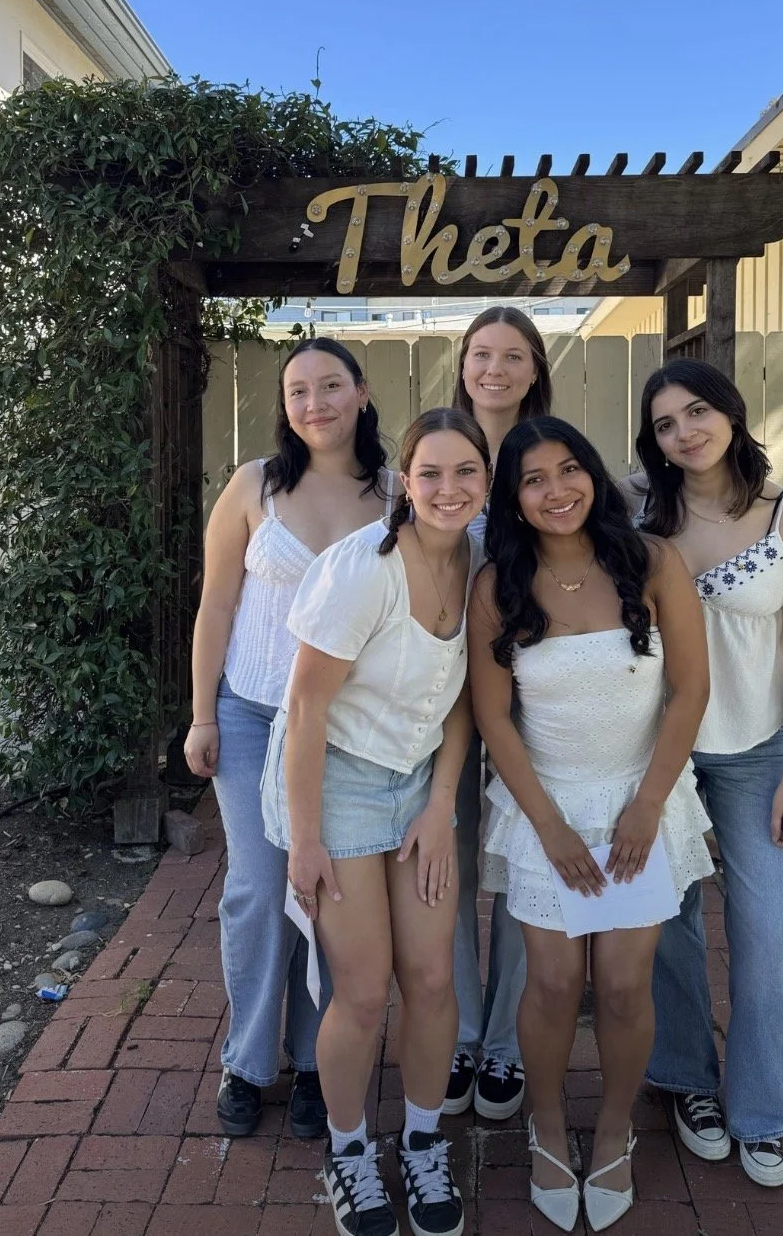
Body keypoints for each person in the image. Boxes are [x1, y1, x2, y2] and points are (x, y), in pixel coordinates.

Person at [470, 417, 713, 1232]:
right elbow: (493, 717)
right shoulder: (497, 584)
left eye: (569, 469)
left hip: (640, 804)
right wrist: (549, 826)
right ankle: (545, 1127)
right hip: (545, 809)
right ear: (513, 498)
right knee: (548, 984)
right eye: (533, 479)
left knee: (620, 985)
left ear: (593, 474)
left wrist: (647, 804)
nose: (556, 491)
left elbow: (690, 689)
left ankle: (612, 1132)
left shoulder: (652, 562)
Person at [261, 407, 491, 1236]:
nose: (448, 489)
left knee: (431, 980)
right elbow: (306, 708)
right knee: (362, 993)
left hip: (419, 782)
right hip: (339, 783)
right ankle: (350, 1149)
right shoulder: (365, 569)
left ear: (486, 480)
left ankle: (423, 1141)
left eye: (466, 472)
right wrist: (306, 839)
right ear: (404, 481)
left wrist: (440, 803)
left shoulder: (479, 561)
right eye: (430, 473)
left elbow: (463, 696)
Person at [622, 358, 783, 1189]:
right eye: (665, 424)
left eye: (697, 412)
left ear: (732, 413)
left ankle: (761, 1111)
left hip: (758, 752)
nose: (685, 432)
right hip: (660, 752)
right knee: (669, 924)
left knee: (767, 929)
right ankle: (685, 1080)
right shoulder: (642, 513)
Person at [185, 337, 396, 1141]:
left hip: (342, 729)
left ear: (361, 393)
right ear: (285, 404)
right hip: (250, 715)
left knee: (326, 889)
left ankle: (314, 1060)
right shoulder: (254, 487)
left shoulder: (395, 494)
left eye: (331, 385)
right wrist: (202, 715)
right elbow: (216, 605)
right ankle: (246, 1062)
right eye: (299, 390)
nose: (316, 403)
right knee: (258, 886)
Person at [445, 306, 552, 1124]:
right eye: (482, 353)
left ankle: (506, 1043)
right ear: (463, 364)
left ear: (535, 368)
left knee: (521, 857)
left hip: (531, 688)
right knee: (444, 860)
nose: (495, 369)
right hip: (438, 691)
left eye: (513, 355)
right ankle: (457, 1031)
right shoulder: (439, 448)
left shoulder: (547, 457)